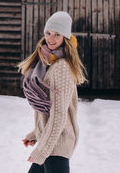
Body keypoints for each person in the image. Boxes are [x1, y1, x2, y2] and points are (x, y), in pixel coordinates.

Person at [17, 11, 87, 173]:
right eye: (48, 33)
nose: (51, 39)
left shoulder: (61, 67)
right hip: (50, 140)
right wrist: (35, 133)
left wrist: (42, 150)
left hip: (57, 144)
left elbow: (59, 114)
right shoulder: (47, 63)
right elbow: (49, 110)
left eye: (57, 34)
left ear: (65, 38)